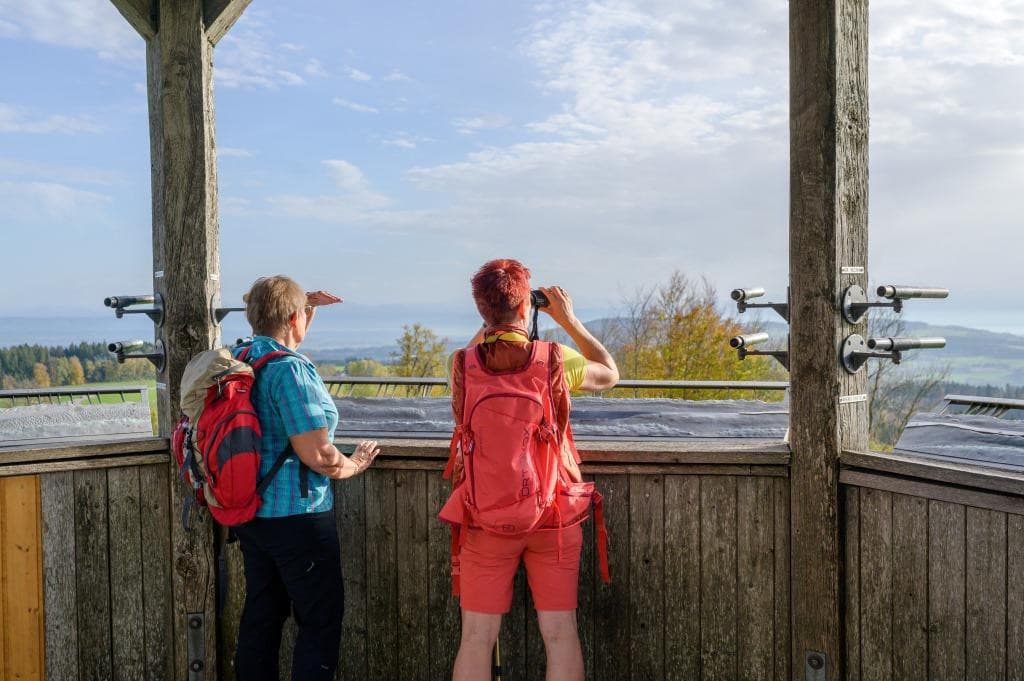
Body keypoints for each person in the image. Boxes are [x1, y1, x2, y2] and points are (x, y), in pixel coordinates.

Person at [440, 259, 619, 681]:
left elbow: (469, 364)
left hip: (483, 516)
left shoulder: (461, 364)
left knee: (476, 639)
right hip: (553, 513)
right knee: (560, 634)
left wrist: (490, 322)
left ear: (481, 311)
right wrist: (568, 319)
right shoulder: (556, 359)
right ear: (527, 307)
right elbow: (610, 373)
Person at [231, 275, 380, 681]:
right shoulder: (290, 373)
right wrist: (355, 465)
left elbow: (283, 338)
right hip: (298, 518)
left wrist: (302, 307)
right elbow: (320, 456)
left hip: (250, 514)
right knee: (319, 622)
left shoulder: (241, 357)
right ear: (294, 317)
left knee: (262, 616)